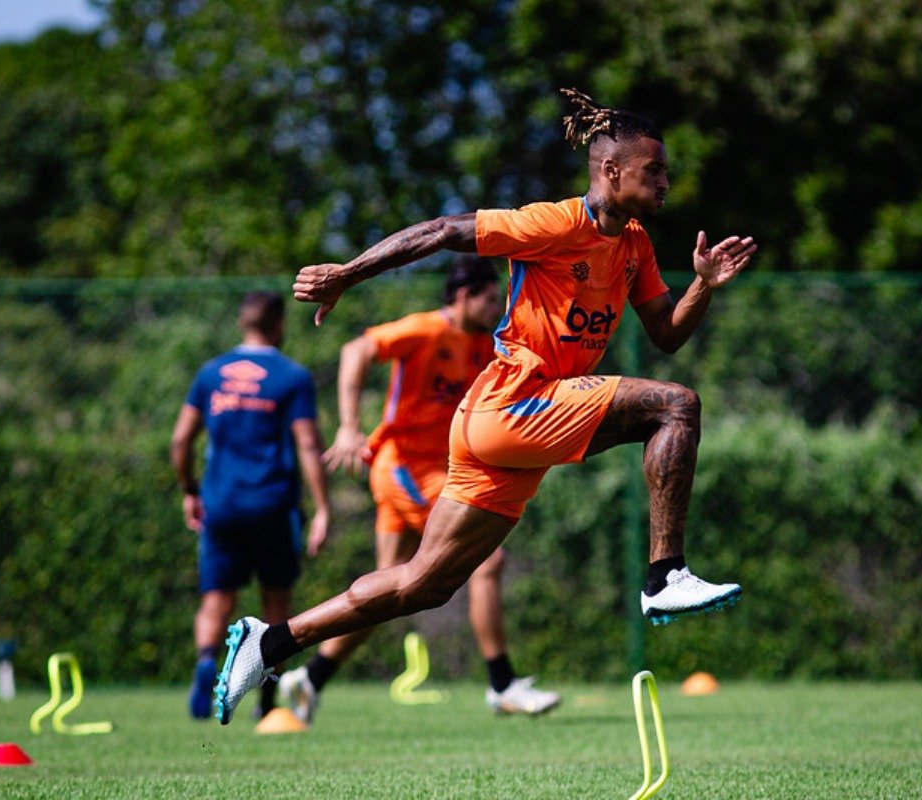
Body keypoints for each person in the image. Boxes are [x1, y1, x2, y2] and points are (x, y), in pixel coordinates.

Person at [212, 87, 757, 724]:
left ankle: (270, 641)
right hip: (511, 405)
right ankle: (665, 575)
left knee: (424, 583)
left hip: (500, 430)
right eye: (654, 170)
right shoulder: (555, 223)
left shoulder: (633, 246)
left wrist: (703, 285)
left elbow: (666, 333)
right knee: (676, 407)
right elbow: (445, 231)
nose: (666, 181)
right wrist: (347, 274)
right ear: (612, 171)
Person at [277, 257, 561, 721]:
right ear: (465, 296)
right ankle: (502, 684)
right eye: (491, 299)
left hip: (440, 472)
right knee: (488, 557)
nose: (497, 308)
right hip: (403, 467)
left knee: (391, 588)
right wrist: (349, 427)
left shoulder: (486, 346)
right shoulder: (426, 330)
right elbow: (356, 350)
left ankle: (311, 679)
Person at [171, 291, 331, 720]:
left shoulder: (211, 373)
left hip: (220, 504)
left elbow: (181, 440)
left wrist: (189, 489)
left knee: (216, 599)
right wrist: (322, 507)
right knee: (276, 603)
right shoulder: (290, 376)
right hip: (273, 505)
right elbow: (309, 443)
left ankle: (207, 663)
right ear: (279, 324)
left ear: (244, 323)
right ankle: (266, 698)